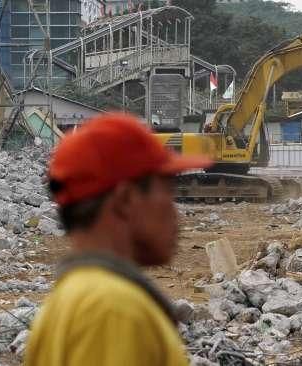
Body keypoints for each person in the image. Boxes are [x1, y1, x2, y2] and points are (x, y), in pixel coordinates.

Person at [24, 113, 211, 366]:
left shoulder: (67, 300)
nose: (174, 213)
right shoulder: (113, 310)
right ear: (125, 200)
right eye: (166, 191)